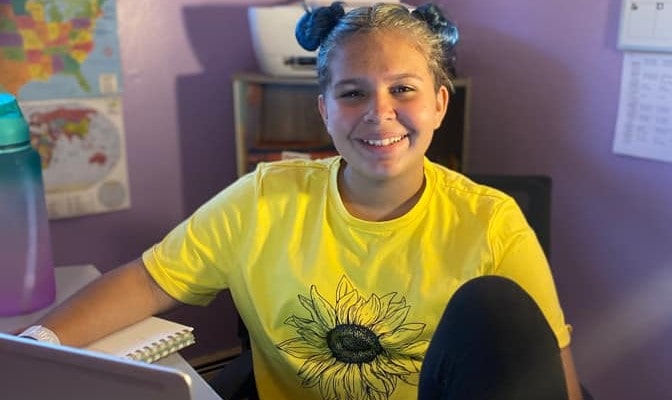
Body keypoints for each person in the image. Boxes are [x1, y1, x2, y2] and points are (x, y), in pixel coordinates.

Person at [19, 2, 584, 399]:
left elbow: (540, 372)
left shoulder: (490, 220)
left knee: (500, 309)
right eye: (353, 92)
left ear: (440, 104)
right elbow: (147, 281)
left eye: (403, 90)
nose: (378, 112)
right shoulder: (262, 200)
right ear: (324, 110)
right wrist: (29, 351)